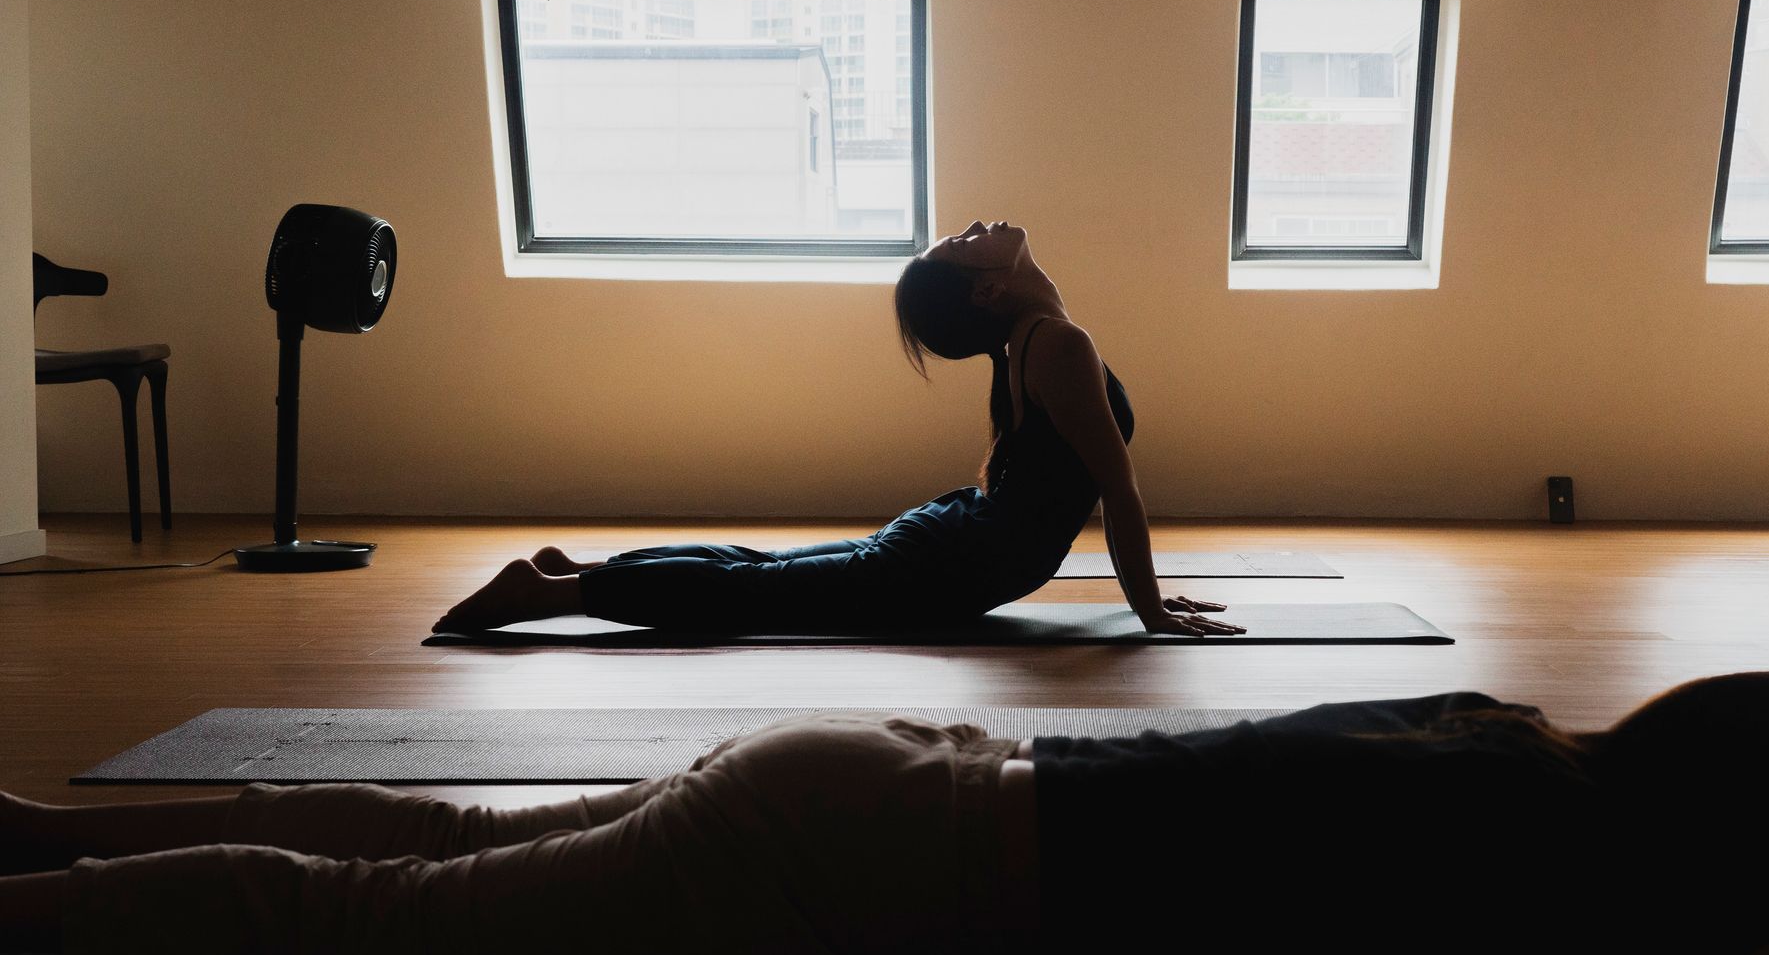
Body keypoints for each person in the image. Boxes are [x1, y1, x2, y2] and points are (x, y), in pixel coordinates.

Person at [2, 672, 1769, 955]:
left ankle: (46, 851)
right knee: (370, 942)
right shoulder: (1563, 897)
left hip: (892, 777)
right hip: (853, 869)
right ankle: (46, 927)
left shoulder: (1512, 756)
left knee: (440, 834)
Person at [433, 220, 1244, 639]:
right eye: (964, 245)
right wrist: (1150, 610)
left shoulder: (1034, 340)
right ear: (991, 290)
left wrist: (1147, 598)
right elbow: (1119, 492)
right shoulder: (1056, 342)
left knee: (768, 573)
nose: (975, 227)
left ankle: (583, 571)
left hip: (958, 543)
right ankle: (558, 591)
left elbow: (1042, 474)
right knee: (760, 590)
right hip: (958, 559)